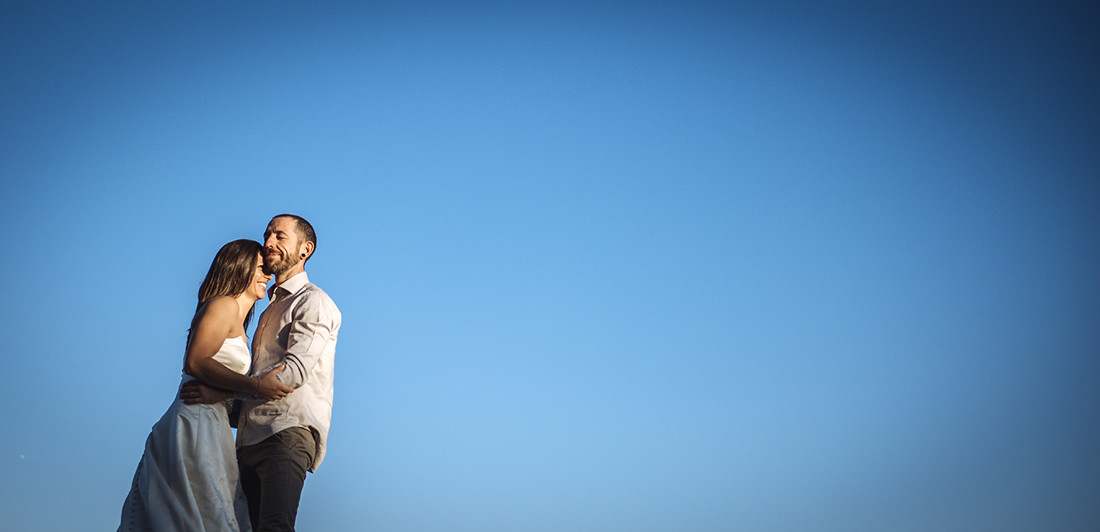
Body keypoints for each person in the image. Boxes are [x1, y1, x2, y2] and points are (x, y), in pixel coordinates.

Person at [119, 239, 293, 532]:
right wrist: (255, 386)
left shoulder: (237, 321)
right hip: (195, 424)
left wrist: (225, 393)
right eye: (261, 269)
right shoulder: (223, 306)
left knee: (210, 514)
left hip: (213, 424)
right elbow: (197, 361)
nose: (268, 276)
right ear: (240, 269)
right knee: (197, 516)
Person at [182, 214, 341, 532]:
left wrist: (225, 394)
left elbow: (292, 373)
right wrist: (227, 404)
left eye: (280, 236)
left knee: (273, 527)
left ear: (305, 249)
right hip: (248, 439)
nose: (269, 242)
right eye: (268, 234)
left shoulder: (314, 302)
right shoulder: (268, 309)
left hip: (286, 433)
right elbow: (259, 383)